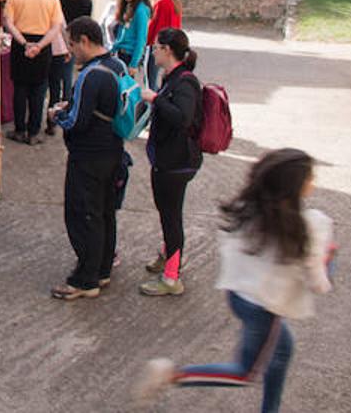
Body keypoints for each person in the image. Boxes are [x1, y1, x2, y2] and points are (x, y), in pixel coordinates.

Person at [133, 149, 335, 413]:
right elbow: (318, 284)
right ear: (295, 186)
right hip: (264, 307)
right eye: (311, 177)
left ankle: (270, 408)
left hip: (239, 295)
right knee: (244, 373)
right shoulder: (308, 226)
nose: (314, 182)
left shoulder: (252, 209)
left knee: (282, 350)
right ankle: (172, 376)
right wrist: (329, 258)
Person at [49, 16, 126, 300]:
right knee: (104, 213)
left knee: (82, 214)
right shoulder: (116, 65)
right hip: (112, 151)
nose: (70, 51)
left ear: (84, 40)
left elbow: (77, 121)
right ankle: (102, 269)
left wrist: (57, 114)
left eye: (71, 44)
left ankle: (85, 279)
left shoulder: (89, 75)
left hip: (89, 156)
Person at [137, 28, 203, 297]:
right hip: (168, 159)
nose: (152, 52)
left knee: (171, 216)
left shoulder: (185, 82)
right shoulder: (173, 77)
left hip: (177, 161)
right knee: (167, 212)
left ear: (167, 50)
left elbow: (182, 118)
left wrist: (155, 98)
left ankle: (172, 276)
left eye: (155, 48)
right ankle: (168, 256)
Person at [3, 0, 65, 145]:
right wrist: (40, 45)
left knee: (20, 89)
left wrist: (23, 42)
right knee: (39, 90)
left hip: (21, 43)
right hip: (43, 44)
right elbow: (56, 27)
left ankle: (20, 129)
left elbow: (8, 22)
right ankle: (34, 132)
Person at [47, 0, 93, 134]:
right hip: (75, 39)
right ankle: (66, 116)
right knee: (68, 80)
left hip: (57, 37)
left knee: (53, 80)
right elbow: (86, 19)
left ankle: (51, 118)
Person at [144, 0, 183, 89]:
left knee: (151, 80)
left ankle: (153, 105)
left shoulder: (160, 3)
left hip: (158, 45)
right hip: (171, 47)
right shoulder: (175, 2)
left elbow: (154, 26)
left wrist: (145, 43)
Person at [111, 0, 152, 78]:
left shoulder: (141, 10)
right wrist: (113, 49)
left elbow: (141, 39)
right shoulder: (128, 6)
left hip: (129, 55)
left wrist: (134, 64)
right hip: (120, 53)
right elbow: (122, 33)